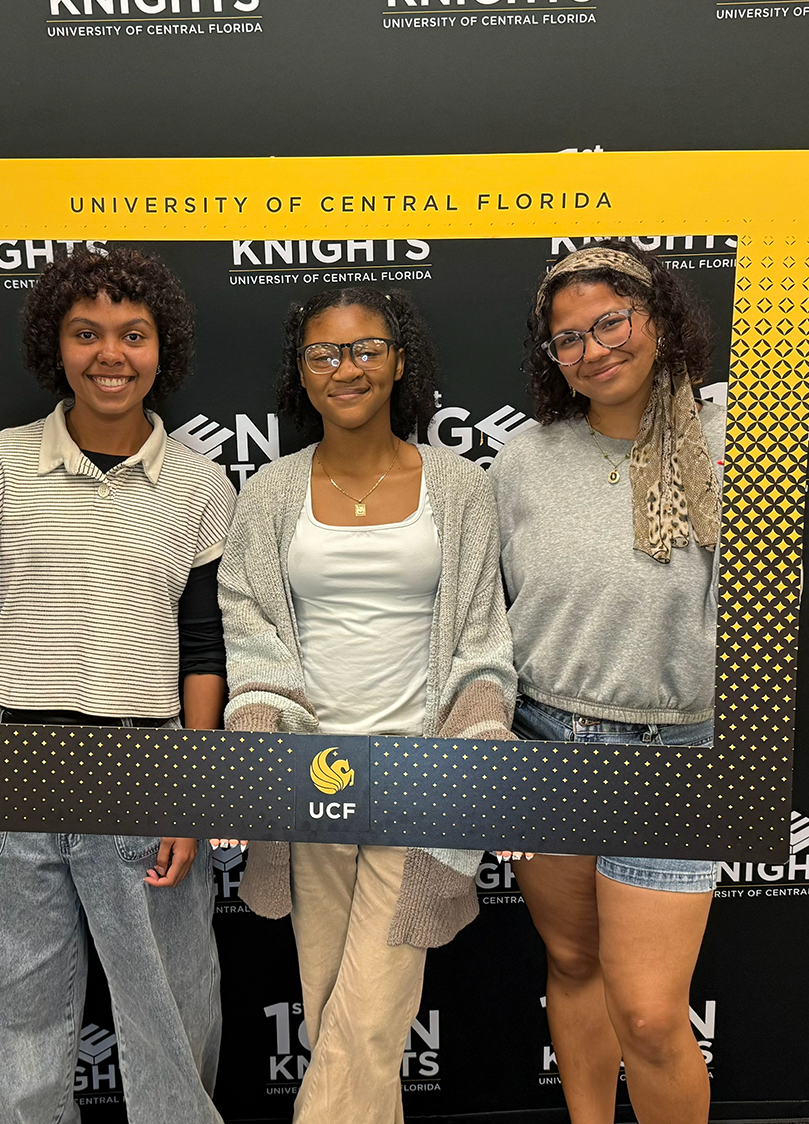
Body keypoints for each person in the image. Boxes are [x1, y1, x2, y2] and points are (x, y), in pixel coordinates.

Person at [214, 286, 515, 1124]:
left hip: (422, 775)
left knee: (371, 1004)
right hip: (311, 778)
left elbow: (481, 636)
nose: (345, 368)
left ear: (398, 361)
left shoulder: (458, 487)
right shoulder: (271, 492)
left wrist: (477, 727)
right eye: (323, 354)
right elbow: (251, 627)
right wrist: (259, 726)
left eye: (364, 349)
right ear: (300, 376)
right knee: (335, 1006)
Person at [0, 245, 234, 1124]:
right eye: (87, 333)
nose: (110, 354)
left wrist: (192, 791)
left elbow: (202, 647)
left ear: (162, 350)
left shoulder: (198, 483)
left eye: (132, 334)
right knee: (7, 1032)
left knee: (169, 1028)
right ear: (56, 347)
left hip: (141, 767)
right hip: (8, 761)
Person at [489, 241, 723, 1124]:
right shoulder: (522, 464)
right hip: (546, 741)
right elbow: (490, 614)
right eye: (568, 338)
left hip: (673, 753)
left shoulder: (737, 432)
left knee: (652, 1015)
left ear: (657, 319)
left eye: (611, 321)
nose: (594, 347)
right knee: (574, 966)